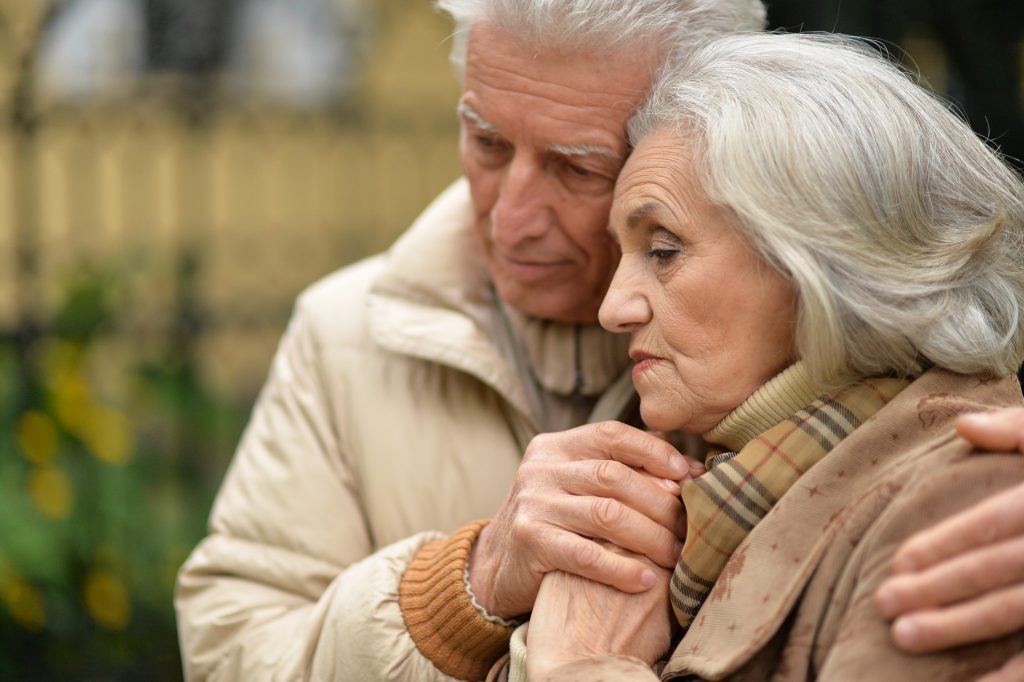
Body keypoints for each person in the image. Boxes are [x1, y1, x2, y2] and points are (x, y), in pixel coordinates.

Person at [174, 2, 1024, 680]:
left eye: (579, 166)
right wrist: (466, 588)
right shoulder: (345, 331)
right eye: (485, 141)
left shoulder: (952, 475)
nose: (509, 219)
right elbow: (229, 650)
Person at [514, 31, 1024, 681]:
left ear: (823, 261)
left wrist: (584, 665)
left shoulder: (970, 498)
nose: (613, 308)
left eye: (662, 250)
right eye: (622, 253)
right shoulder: (717, 488)